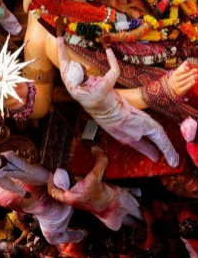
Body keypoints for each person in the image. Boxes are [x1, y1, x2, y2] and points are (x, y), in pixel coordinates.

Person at [58, 24, 181, 167]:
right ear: (84, 71)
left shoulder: (70, 85)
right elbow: (115, 70)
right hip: (122, 116)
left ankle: (153, 156)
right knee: (156, 130)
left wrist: (59, 34)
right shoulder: (99, 88)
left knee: (134, 141)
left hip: (107, 124)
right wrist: (107, 47)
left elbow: (62, 56)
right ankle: (174, 161)